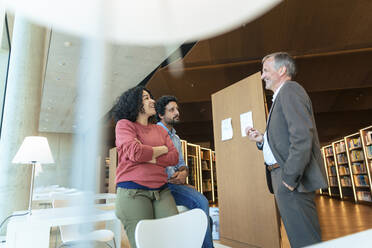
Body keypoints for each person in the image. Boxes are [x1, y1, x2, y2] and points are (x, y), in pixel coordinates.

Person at [246, 52, 328, 248]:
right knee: (299, 237)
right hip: (282, 177)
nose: (262, 75)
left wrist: (289, 181)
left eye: (265, 70)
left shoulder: (290, 90)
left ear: (281, 70)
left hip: (290, 179)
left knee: (305, 240)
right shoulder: (281, 95)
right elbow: (284, 139)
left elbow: (301, 138)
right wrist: (262, 140)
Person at [112, 86, 179, 248]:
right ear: (134, 103)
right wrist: (161, 150)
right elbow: (135, 152)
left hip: (161, 191)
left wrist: (149, 157)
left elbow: (174, 157)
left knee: (174, 239)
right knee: (145, 243)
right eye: (146, 98)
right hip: (132, 192)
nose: (152, 101)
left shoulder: (159, 130)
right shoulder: (124, 125)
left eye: (151, 97)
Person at [155, 95, 214, 248]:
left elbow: (181, 164)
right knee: (202, 202)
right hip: (164, 186)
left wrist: (183, 173)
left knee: (207, 217)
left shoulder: (176, 138)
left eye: (177, 109)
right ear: (161, 114)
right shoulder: (154, 134)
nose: (177, 112)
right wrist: (173, 179)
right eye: (172, 110)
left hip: (177, 184)